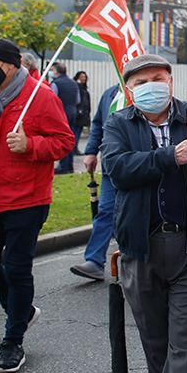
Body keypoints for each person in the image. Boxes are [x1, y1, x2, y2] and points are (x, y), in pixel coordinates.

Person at [102, 54, 187, 373]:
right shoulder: (118, 124)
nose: (153, 85)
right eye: (142, 81)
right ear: (130, 90)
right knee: (155, 339)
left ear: (171, 80)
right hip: (140, 248)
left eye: (159, 77)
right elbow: (118, 169)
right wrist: (171, 156)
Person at [0, 39, 76, 373]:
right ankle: (22, 310)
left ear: (11, 65)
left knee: (16, 268)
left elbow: (64, 141)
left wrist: (31, 144)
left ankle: (12, 340)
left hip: (26, 200)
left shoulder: (39, 96)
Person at [69, 82, 120, 281]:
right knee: (106, 211)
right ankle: (95, 261)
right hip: (111, 167)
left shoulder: (144, 91)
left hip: (140, 166)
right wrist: (91, 151)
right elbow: (98, 124)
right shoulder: (109, 94)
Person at [50, 62, 80, 174]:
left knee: (62, 140)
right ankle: (69, 165)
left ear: (56, 71)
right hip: (73, 111)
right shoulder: (73, 83)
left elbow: (52, 100)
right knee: (71, 139)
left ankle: (63, 166)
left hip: (61, 113)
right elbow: (78, 100)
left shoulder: (55, 83)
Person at [73, 70, 92, 152]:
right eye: (81, 77)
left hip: (83, 114)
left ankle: (75, 148)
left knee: (78, 131)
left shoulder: (84, 89)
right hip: (78, 115)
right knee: (76, 132)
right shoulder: (77, 88)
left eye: (84, 77)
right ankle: (74, 149)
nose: (83, 78)